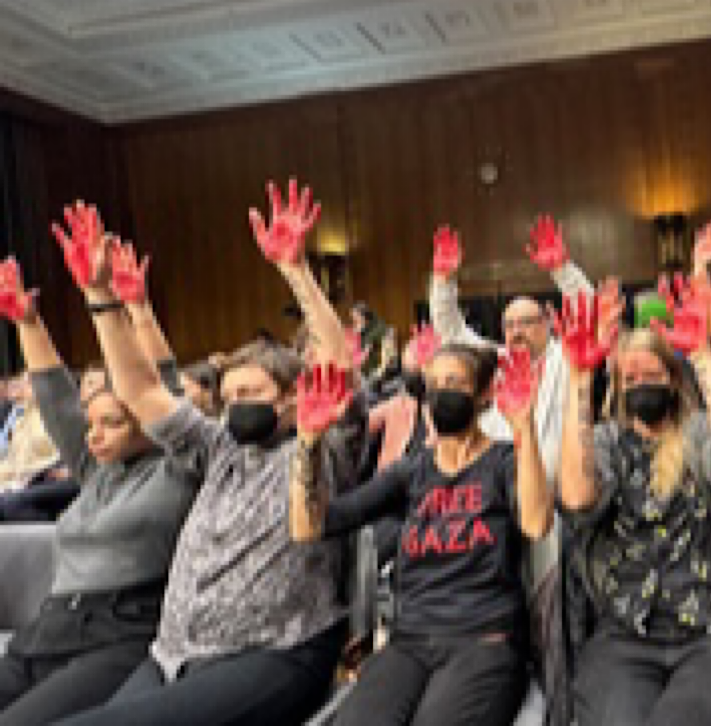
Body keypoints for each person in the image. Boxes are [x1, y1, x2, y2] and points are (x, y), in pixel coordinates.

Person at [60, 181, 365, 726]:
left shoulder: (322, 442)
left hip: (272, 652)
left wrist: (295, 270)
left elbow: (337, 365)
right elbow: (138, 390)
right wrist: (101, 297)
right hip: (175, 651)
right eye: (228, 398)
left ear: (295, 398)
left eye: (251, 395)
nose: (235, 407)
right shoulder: (219, 446)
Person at [558, 272, 711, 726]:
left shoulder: (697, 435)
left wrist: (702, 355)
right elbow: (576, 498)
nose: (640, 383)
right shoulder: (607, 442)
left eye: (651, 374)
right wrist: (579, 378)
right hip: (624, 641)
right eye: (629, 377)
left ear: (673, 381)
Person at [289, 344, 553, 726]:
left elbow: (536, 523)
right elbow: (308, 526)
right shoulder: (411, 472)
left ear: (483, 395)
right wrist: (308, 443)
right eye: (434, 384)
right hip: (409, 640)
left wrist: (524, 426)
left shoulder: (505, 461)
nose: (441, 392)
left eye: (454, 382)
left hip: (484, 640)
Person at [0, 245, 199, 725]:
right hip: (50, 628)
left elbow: (161, 388)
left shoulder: (179, 468)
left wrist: (116, 301)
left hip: (119, 636)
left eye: (112, 422)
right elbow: (56, 399)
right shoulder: (97, 469)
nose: (93, 434)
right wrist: (29, 324)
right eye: (93, 423)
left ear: (148, 420)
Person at [428, 215, 593, 720]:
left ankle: (560, 709)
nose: (518, 332)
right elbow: (449, 329)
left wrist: (562, 269)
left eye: (528, 323)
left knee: (554, 623)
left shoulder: (569, 357)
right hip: (496, 502)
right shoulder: (494, 365)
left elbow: (585, 308)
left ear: (547, 323)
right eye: (510, 325)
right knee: (506, 612)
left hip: (556, 509)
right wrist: (443, 281)